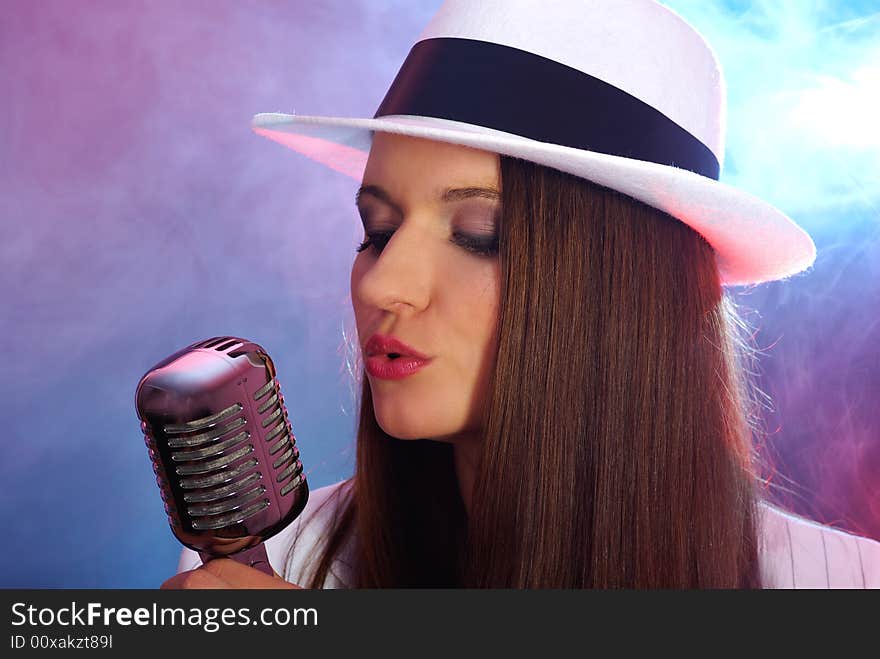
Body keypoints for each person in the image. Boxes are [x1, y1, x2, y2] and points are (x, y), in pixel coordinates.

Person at [162, 0, 880, 589]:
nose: (383, 284)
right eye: (376, 230)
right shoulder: (270, 567)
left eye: (479, 235)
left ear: (627, 293)